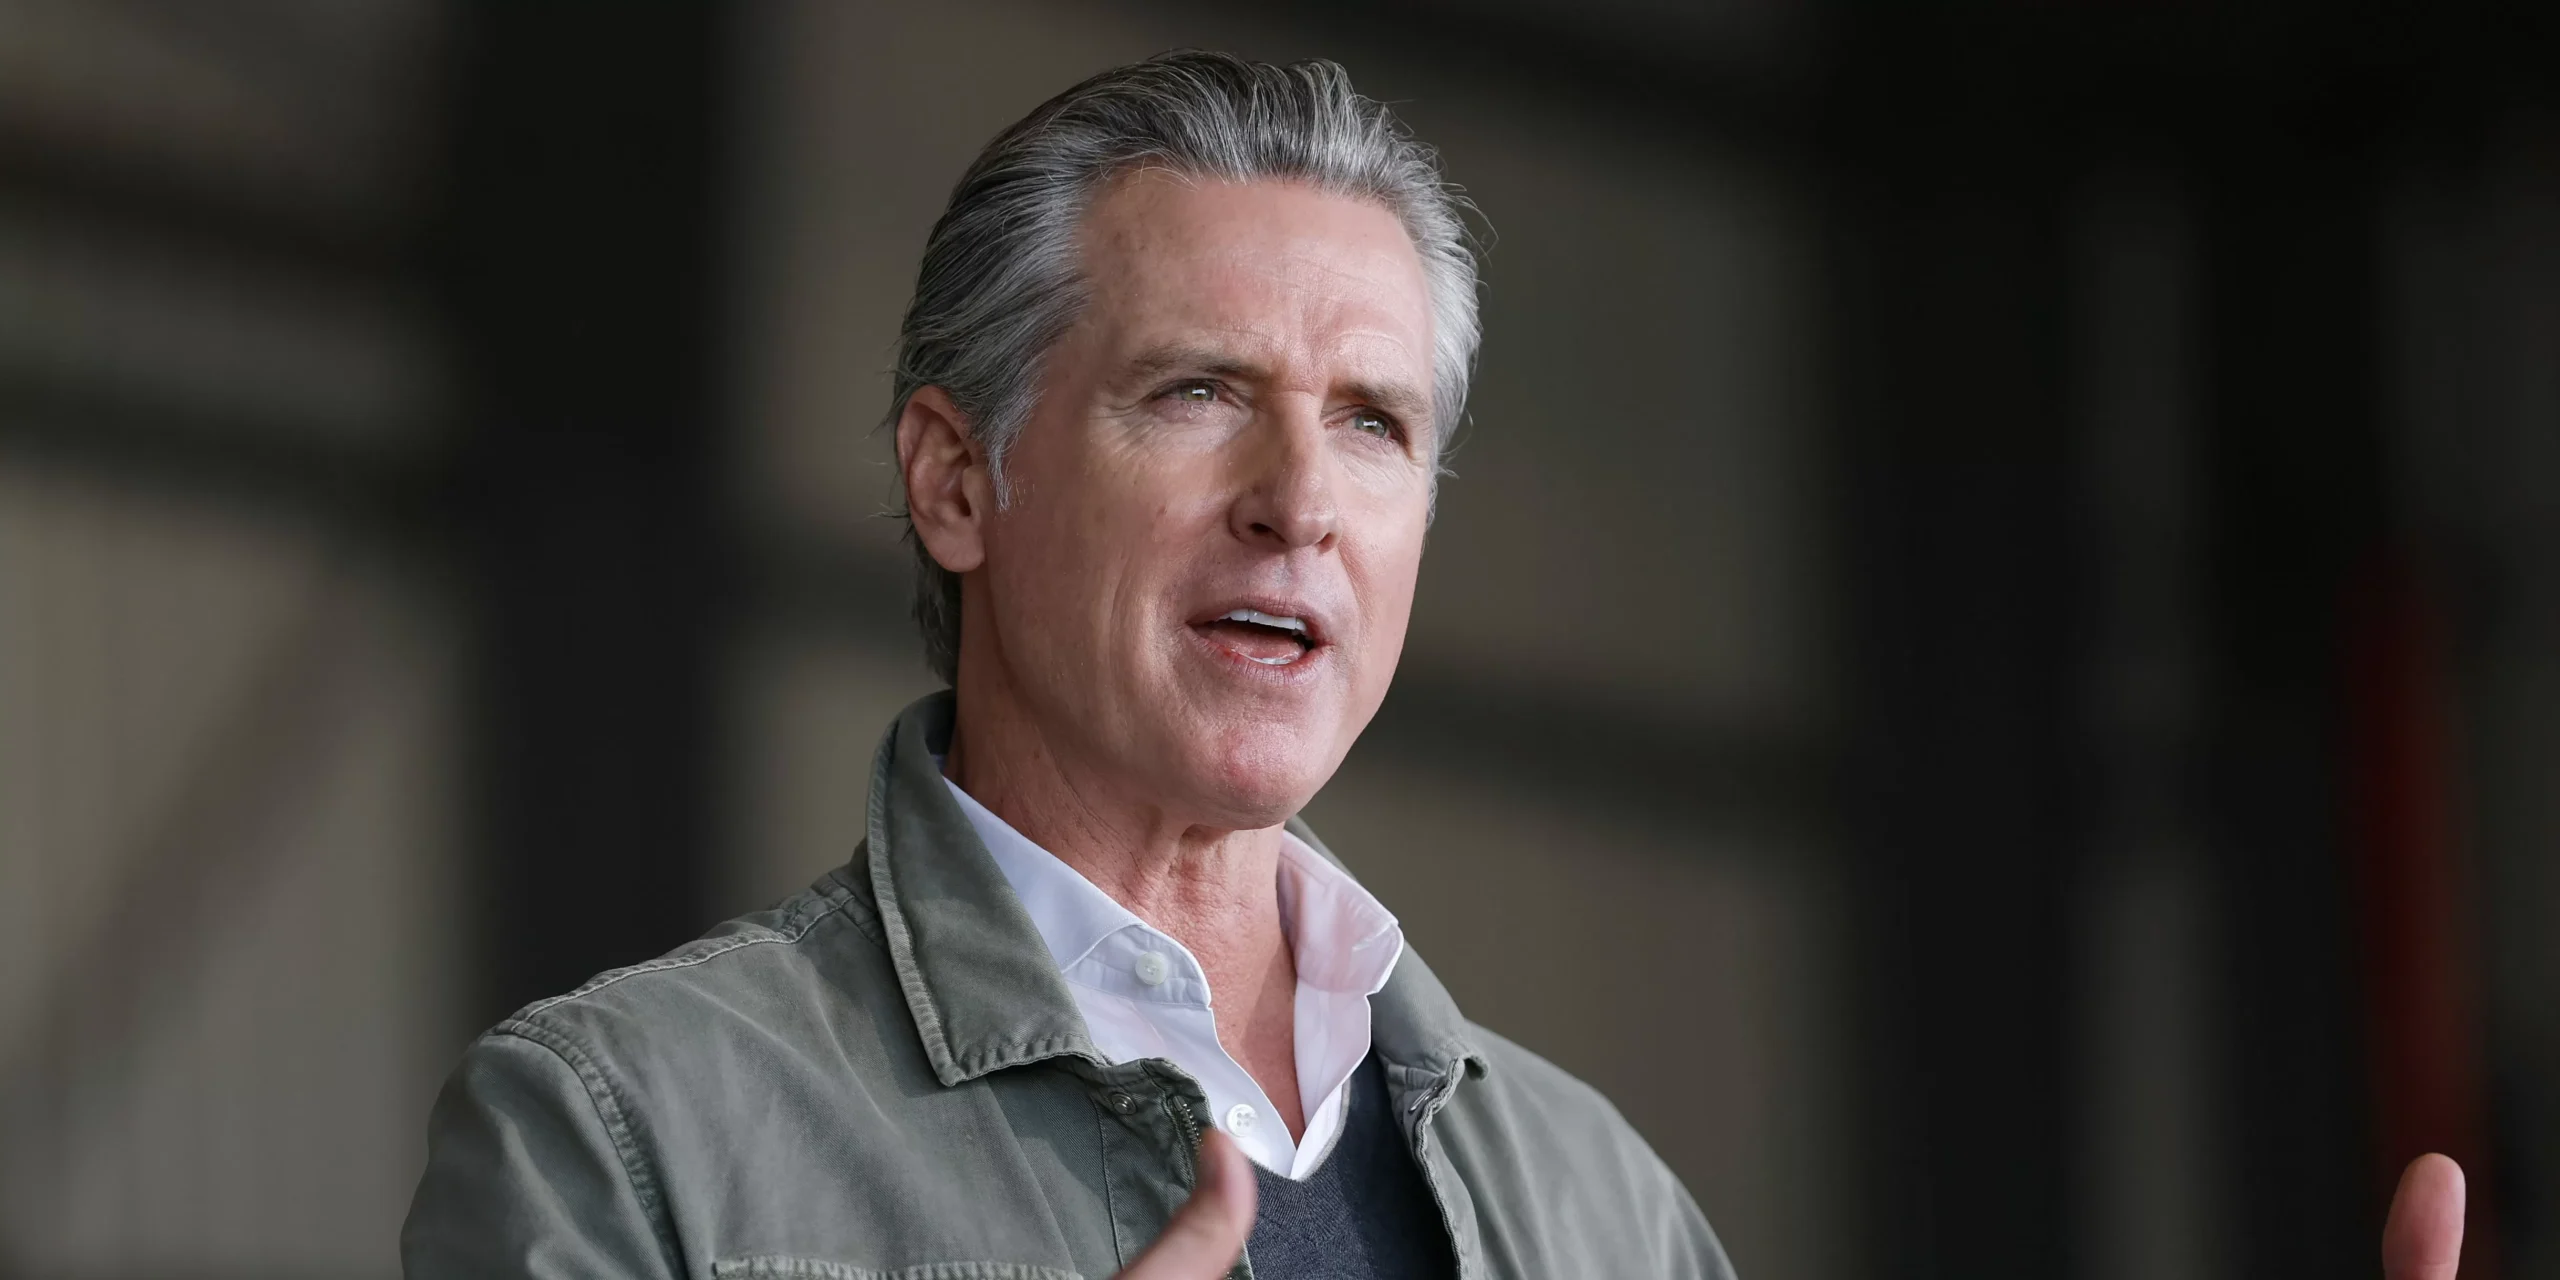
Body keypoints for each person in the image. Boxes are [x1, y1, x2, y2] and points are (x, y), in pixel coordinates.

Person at [401, 51, 2468, 1280]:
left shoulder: (1592, 1204)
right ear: (959, 479)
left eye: (1375, 422)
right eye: (1197, 392)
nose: (1299, 497)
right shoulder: (626, 1133)